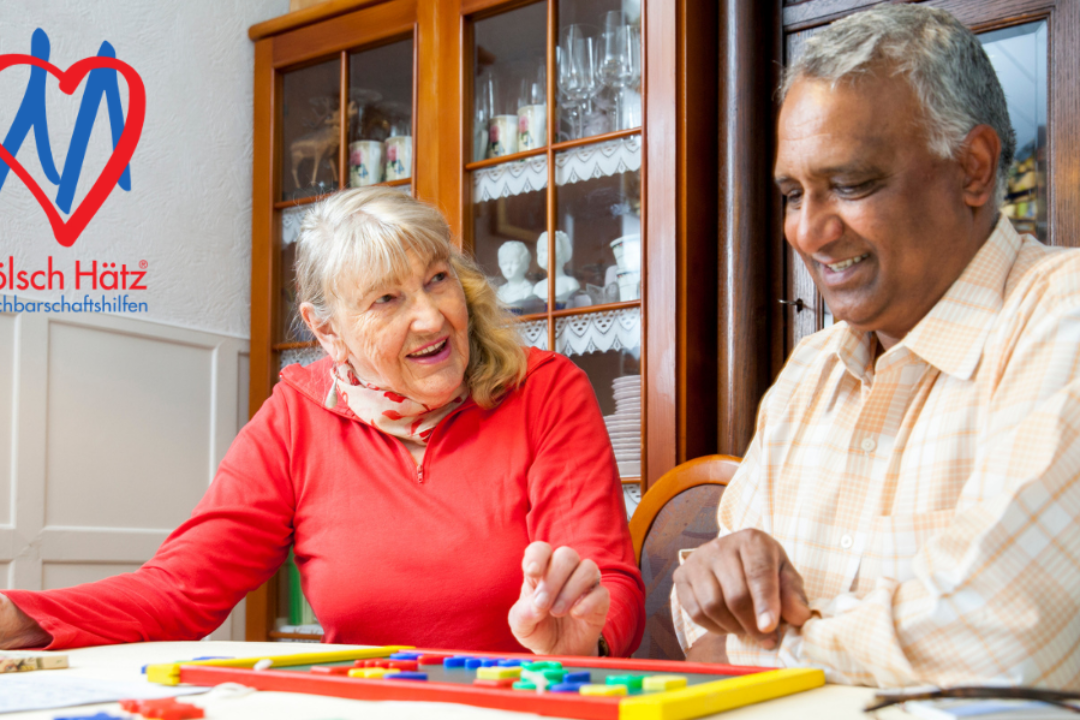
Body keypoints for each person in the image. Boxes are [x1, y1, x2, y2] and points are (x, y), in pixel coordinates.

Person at [0, 187, 644, 657]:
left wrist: (582, 643)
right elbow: (181, 588)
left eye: (437, 280)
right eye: (387, 299)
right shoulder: (296, 418)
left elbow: (605, 580)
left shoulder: (546, 390)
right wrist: (21, 619)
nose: (431, 317)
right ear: (327, 330)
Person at [673, 5, 1080, 689]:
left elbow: (1004, 633)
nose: (808, 231)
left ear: (974, 169)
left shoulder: (1061, 318)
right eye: (791, 194)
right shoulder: (808, 372)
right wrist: (716, 588)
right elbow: (705, 637)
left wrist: (780, 644)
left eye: (852, 185)